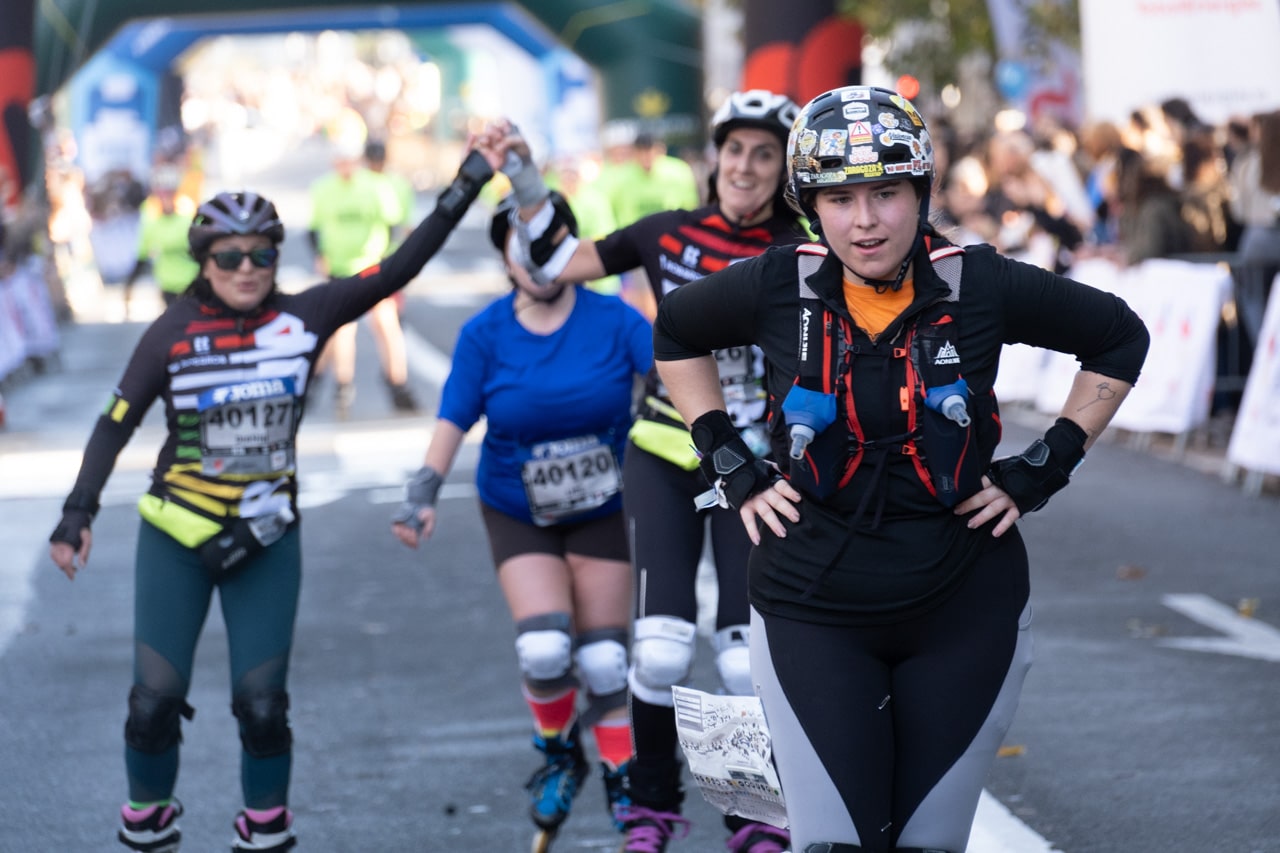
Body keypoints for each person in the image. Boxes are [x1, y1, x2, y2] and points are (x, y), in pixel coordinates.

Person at [649, 85, 1150, 853]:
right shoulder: (779, 282)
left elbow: (1118, 337)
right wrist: (729, 462)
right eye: (840, 198)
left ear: (922, 191)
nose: (866, 220)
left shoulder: (977, 282)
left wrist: (1043, 468)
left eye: (886, 192)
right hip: (810, 604)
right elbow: (676, 331)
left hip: (964, 607)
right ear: (811, 204)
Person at [47, 140, 499, 853]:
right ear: (204, 262)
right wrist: (78, 513)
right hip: (176, 536)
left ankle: (264, 827)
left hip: (264, 536)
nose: (247, 269)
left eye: (261, 254)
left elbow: (399, 267)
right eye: (229, 256)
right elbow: (114, 423)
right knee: (153, 703)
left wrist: (470, 178)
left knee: (262, 707)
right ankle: (148, 817)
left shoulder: (307, 316)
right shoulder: (172, 332)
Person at [503, 89, 807, 853]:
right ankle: (651, 806)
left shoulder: (807, 247)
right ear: (713, 158)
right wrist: (525, 179)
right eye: (734, 150)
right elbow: (556, 262)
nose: (746, 166)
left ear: (784, 169)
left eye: (764, 154)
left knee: (740, 656)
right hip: (668, 453)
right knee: (662, 646)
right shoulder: (668, 231)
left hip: (756, 469)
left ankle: (751, 814)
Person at [391, 185, 652, 849]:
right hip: (518, 507)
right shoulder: (485, 334)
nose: (535, 258)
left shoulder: (616, 321)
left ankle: (623, 781)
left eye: (549, 244)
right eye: (521, 247)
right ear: (504, 257)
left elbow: (677, 385)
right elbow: (453, 417)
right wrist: (422, 492)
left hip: (603, 506)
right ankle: (559, 753)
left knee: (605, 661)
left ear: (573, 250)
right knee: (543, 647)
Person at [308, 137, 419, 417]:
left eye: (349, 161)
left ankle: (398, 385)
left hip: (372, 268)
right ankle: (342, 387)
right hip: (340, 269)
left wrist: (388, 260)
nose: (345, 166)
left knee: (387, 325)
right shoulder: (324, 188)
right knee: (342, 330)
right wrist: (321, 255)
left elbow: (393, 224)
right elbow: (314, 228)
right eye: (340, 161)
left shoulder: (376, 186)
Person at [124, 165, 200, 310]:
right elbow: (142, 255)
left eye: (169, 193)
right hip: (168, 287)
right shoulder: (151, 219)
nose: (165, 198)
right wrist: (129, 286)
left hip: (192, 285)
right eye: (161, 193)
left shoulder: (188, 214)